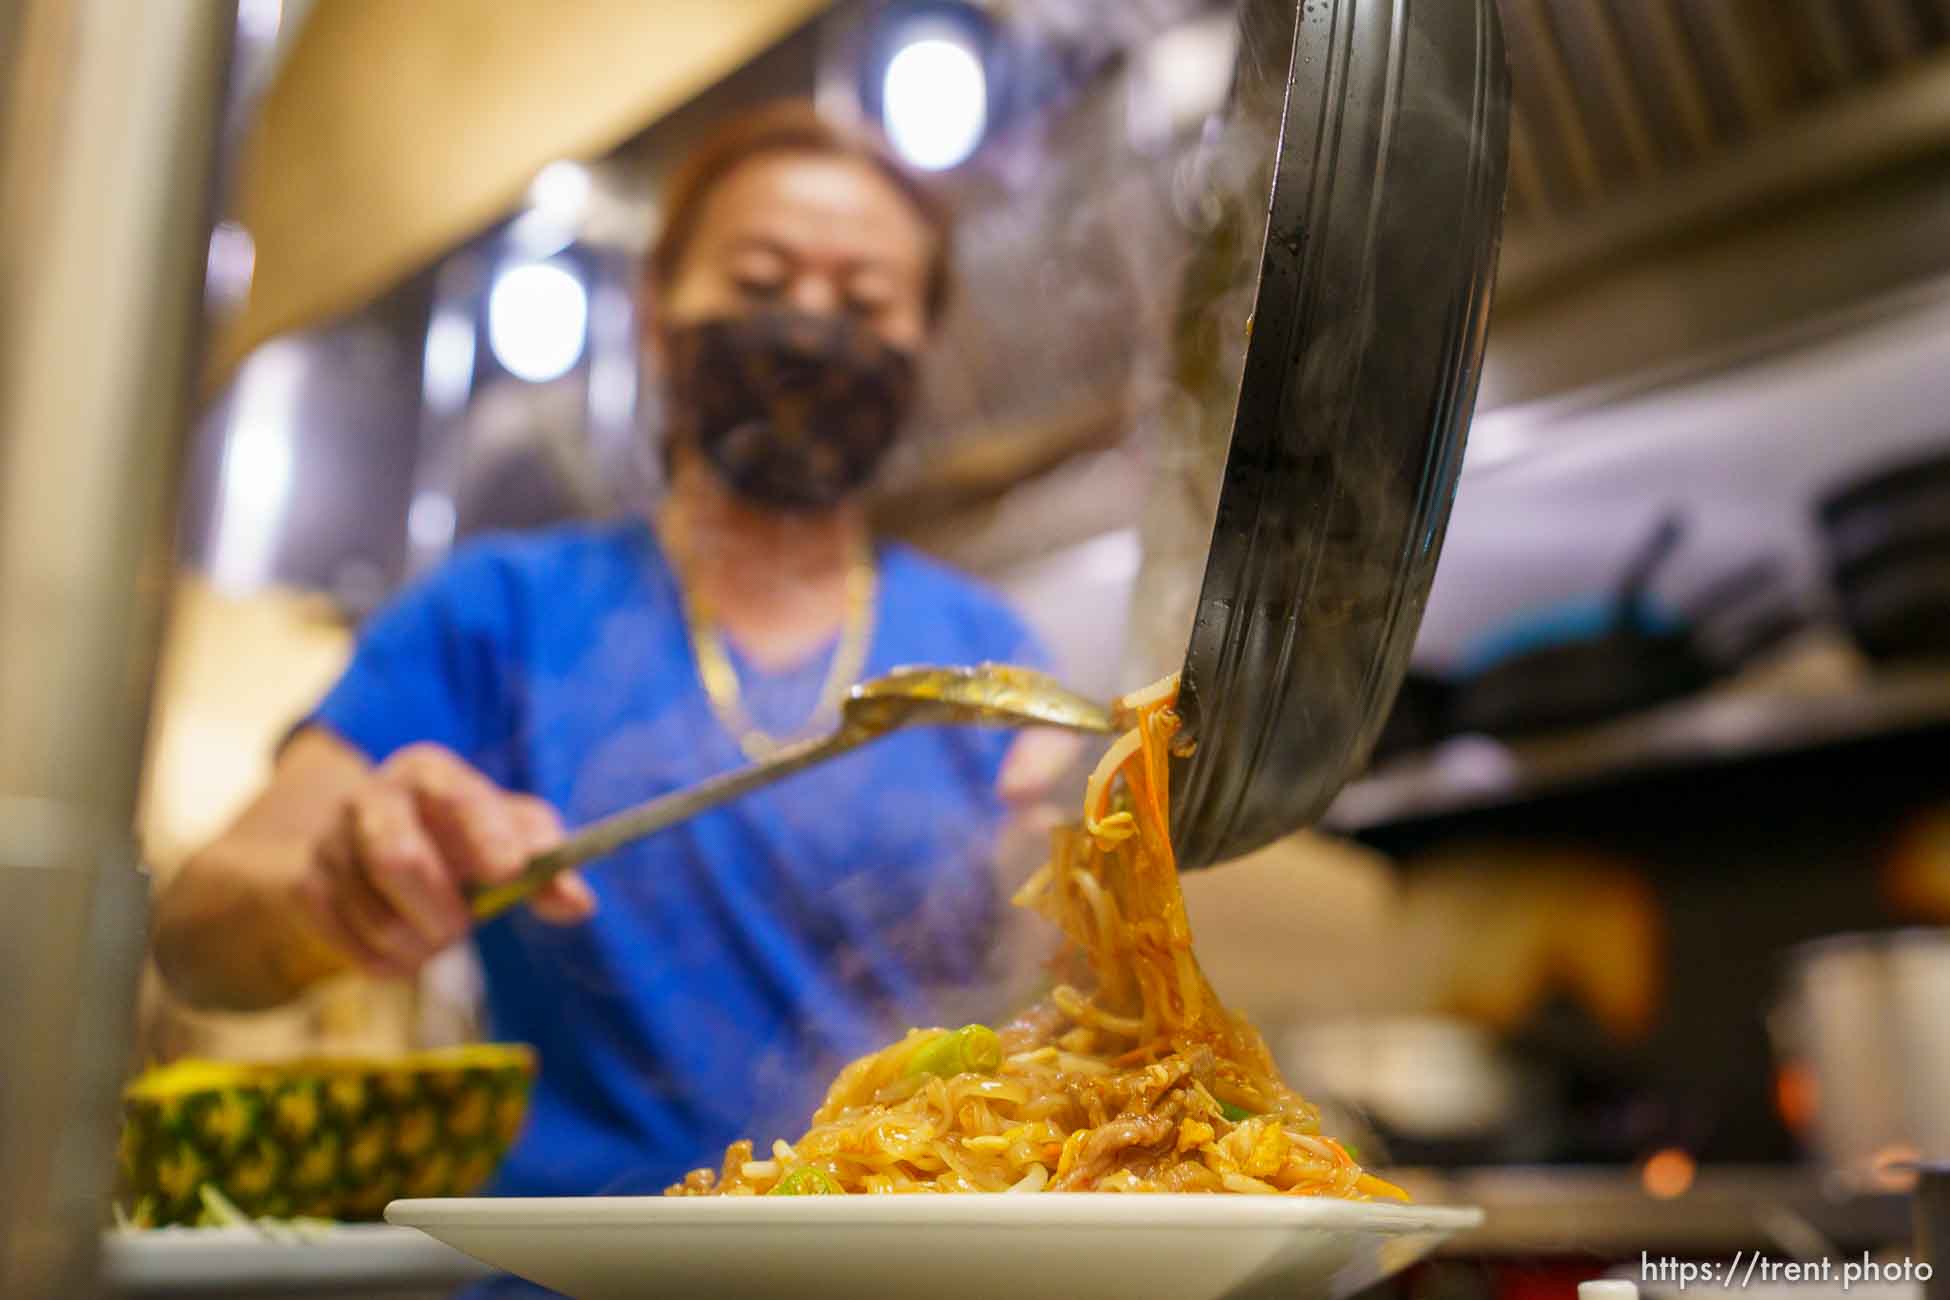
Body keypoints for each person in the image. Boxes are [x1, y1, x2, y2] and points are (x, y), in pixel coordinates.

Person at [153, 101, 1073, 1203]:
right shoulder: (501, 611)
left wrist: (1078, 880)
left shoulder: (983, 657)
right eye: (763, 282)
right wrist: (335, 887)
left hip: (897, 1257)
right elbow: (199, 929)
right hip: (566, 1261)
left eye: (865, 300)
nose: (808, 328)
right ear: (657, 313)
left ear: (919, 344)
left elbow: (1047, 993)